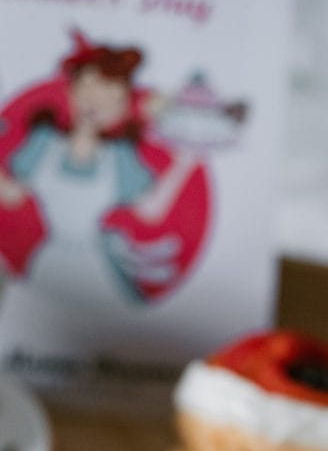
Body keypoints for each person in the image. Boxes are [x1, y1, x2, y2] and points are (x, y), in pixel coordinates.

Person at [0, 29, 211, 304]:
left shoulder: (119, 156)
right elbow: (13, 195)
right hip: (49, 261)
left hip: (95, 266)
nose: (96, 103)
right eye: (87, 88)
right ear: (71, 90)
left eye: (111, 96)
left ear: (122, 107)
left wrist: (183, 165)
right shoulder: (44, 145)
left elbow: (149, 210)